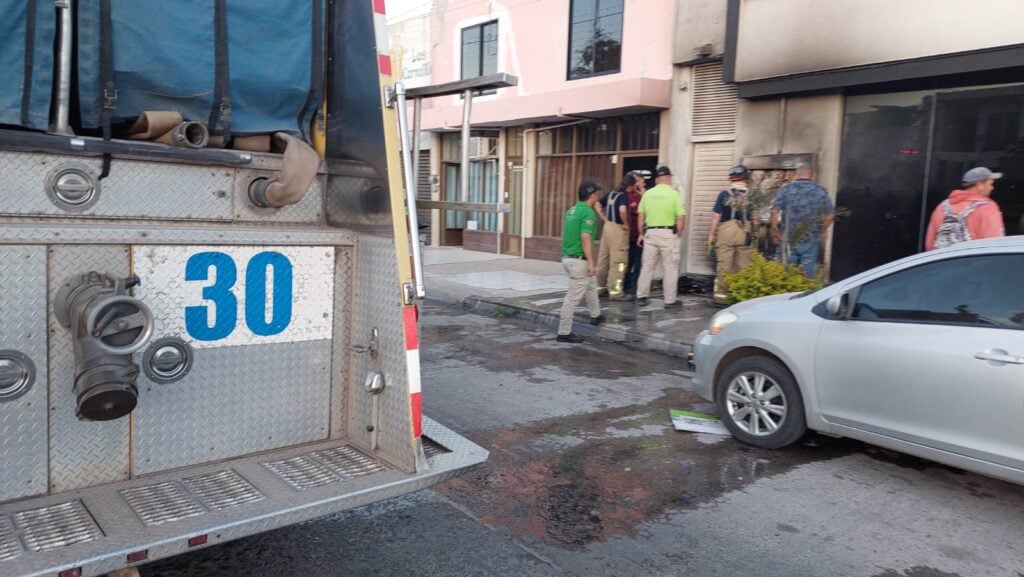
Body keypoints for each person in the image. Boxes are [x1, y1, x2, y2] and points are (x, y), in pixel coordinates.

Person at [556, 180, 606, 343]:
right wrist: (591, 262)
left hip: (568, 257)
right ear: (591, 195)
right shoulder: (587, 213)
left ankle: (596, 315)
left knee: (591, 284)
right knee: (572, 298)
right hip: (579, 260)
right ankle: (564, 332)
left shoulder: (572, 210)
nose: (597, 196)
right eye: (596, 193)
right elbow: (585, 238)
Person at [770, 164, 834, 278]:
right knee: (808, 277)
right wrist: (821, 230)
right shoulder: (820, 190)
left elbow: (774, 211)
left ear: (796, 175)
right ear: (812, 176)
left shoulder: (786, 190)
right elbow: (830, 215)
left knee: (785, 276)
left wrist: (775, 231)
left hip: (789, 239)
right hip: (810, 238)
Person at [636, 165, 686, 309]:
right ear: (669, 178)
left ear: (657, 179)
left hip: (650, 233)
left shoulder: (648, 194)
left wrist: (641, 234)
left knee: (647, 266)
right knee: (670, 267)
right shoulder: (674, 194)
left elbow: (641, 215)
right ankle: (670, 301)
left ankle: (641, 296)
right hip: (668, 234)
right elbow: (681, 217)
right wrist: (679, 234)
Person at [924, 167, 1005, 250]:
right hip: (973, 262)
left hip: (944, 261)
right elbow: (995, 245)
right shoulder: (987, 208)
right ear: (979, 185)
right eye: (990, 184)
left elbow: (929, 244)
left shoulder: (942, 207)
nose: (992, 188)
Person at [708, 165, 756, 305]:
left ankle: (721, 298)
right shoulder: (751, 195)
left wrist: (712, 235)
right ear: (746, 179)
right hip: (744, 231)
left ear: (731, 178)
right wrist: (755, 233)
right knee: (744, 265)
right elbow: (755, 217)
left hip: (726, 231)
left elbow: (716, 216)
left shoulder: (724, 194)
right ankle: (742, 297)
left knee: (724, 264)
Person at [595, 172, 636, 301]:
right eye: (633, 186)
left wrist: (604, 218)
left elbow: (597, 204)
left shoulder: (611, 193)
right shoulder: (623, 196)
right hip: (618, 230)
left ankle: (600, 289)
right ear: (629, 186)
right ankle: (616, 291)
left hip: (607, 228)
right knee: (619, 261)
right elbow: (622, 210)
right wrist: (626, 224)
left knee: (603, 259)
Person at [623, 171, 647, 297]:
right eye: (641, 182)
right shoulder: (627, 196)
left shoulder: (639, 195)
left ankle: (634, 285)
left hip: (639, 234)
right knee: (629, 261)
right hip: (630, 234)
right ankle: (627, 285)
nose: (643, 184)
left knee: (638, 261)